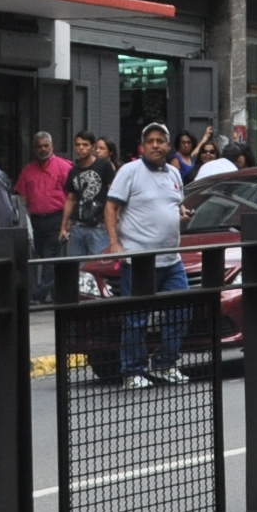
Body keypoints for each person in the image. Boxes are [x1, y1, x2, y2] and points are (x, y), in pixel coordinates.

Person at [104, 122, 195, 390]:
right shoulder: (129, 171)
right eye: (150, 141)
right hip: (140, 259)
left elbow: (175, 207)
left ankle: (166, 363)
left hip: (171, 258)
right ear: (143, 146)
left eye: (161, 141)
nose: (156, 145)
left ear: (169, 146)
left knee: (181, 309)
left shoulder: (174, 175)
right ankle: (132, 371)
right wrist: (114, 243)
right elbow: (111, 207)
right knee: (136, 318)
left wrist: (183, 216)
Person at [14, 131, 74, 301]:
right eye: (39, 146)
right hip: (36, 221)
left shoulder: (64, 167)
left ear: (52, 146)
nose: (43, 149)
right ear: (34, 148)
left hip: (57, 218)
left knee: (49, 258)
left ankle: (38, 295)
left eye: (46, 145)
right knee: (40, 256)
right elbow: (22, 198)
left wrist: (66, 223)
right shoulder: (28, 171)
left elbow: (72, 197)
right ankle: (55, 295)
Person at [63, 131, 115, 262]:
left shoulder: (104, 166)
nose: (81, 148)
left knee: (99, 268)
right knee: (75, 270)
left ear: (92, 147)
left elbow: (114, 195)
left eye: (85, 144)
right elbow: (70, 199)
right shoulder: (73, 170)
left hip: (99, 226)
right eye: (78, 145)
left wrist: (114, 223)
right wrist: (63, 226)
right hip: (77, 227)